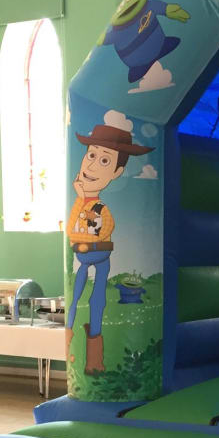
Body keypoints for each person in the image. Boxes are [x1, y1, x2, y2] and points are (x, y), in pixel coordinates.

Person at [66, 123, 153, 375]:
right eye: (91, 155)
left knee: (97, 300)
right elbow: (72, 230)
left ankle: (95, 360)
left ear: (117, 172)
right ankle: (73, 347)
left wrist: (84, 211)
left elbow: (101, 230)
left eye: (104, 160)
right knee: (76, 297)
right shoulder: (82, 204)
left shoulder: (102, 210)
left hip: (99, 254)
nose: (92, 166)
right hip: (84, 255)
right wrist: (81, 198)